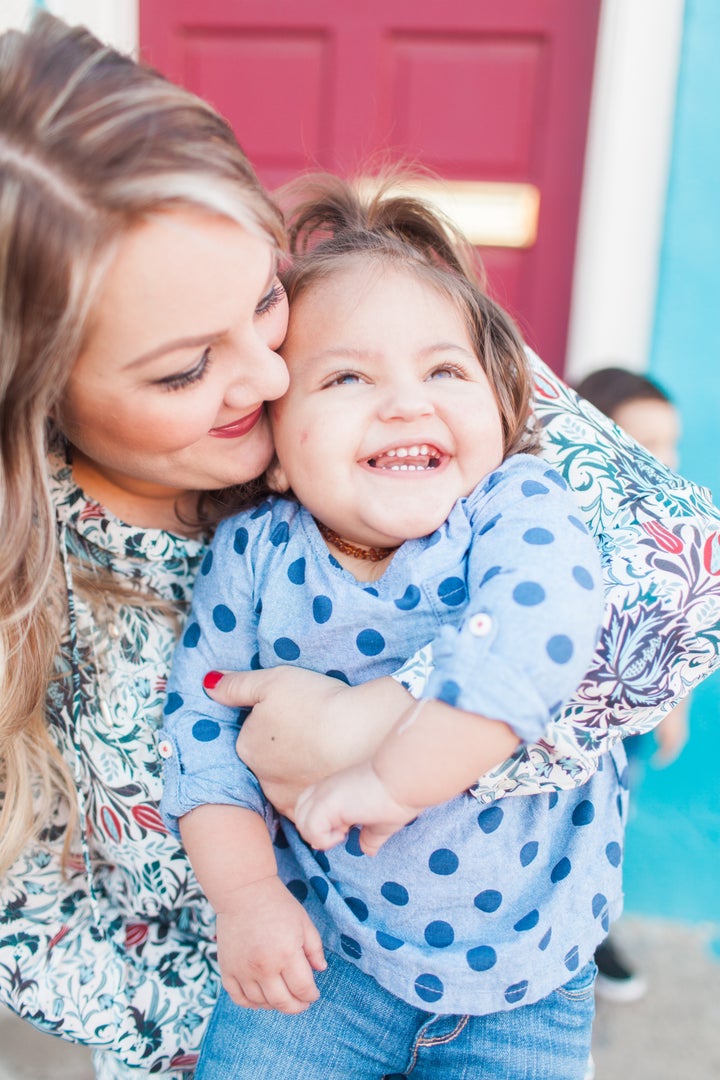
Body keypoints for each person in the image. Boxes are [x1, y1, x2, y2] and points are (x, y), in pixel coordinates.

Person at [1, 12, 720, 1080]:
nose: (275, 375)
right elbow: (38, 930)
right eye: (183, 370)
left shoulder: (386, 345)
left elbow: (679, 592)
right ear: (39, 398)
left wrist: (365, 724)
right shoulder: (69, 582)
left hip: (513, 983)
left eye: (262, 304)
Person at [160, 176, 610, 1078]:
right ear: (276, 452)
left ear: (502, 407)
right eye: (348, 377)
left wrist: (394, 777)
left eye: (445, 370)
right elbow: (199, 734)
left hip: (527, 976)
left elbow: (540, 633)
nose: (406, 402)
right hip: (323, 958)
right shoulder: (253, 555)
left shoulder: (515, 510)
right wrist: (246, 899)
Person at [574, 366, 688, 1003]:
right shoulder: (563, 512)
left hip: (634, 716)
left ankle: (598, 928)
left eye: (670, 443)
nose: (661, 458)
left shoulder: (670, 525)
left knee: (614, 819)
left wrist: (677, 705)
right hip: (567, 716)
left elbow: (687, 617)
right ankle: (571, 929)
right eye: (641, 441)